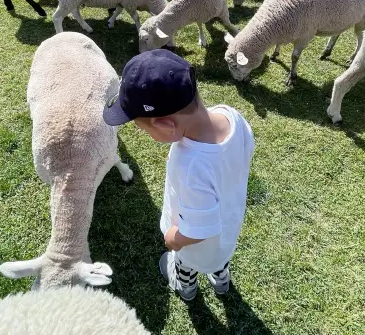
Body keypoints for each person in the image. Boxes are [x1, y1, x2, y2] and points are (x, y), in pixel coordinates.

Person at [103, 49, 254, 301]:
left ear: (165, 125)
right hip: (228, 230)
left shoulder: (190, 164)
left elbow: (199, 229)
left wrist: (175, 238)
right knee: (220, 260)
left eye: (143, 130)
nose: (146, 135)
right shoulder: (232, 117)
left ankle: (186, 287)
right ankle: (221, 281)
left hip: (195, 246)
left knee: (185, 263)